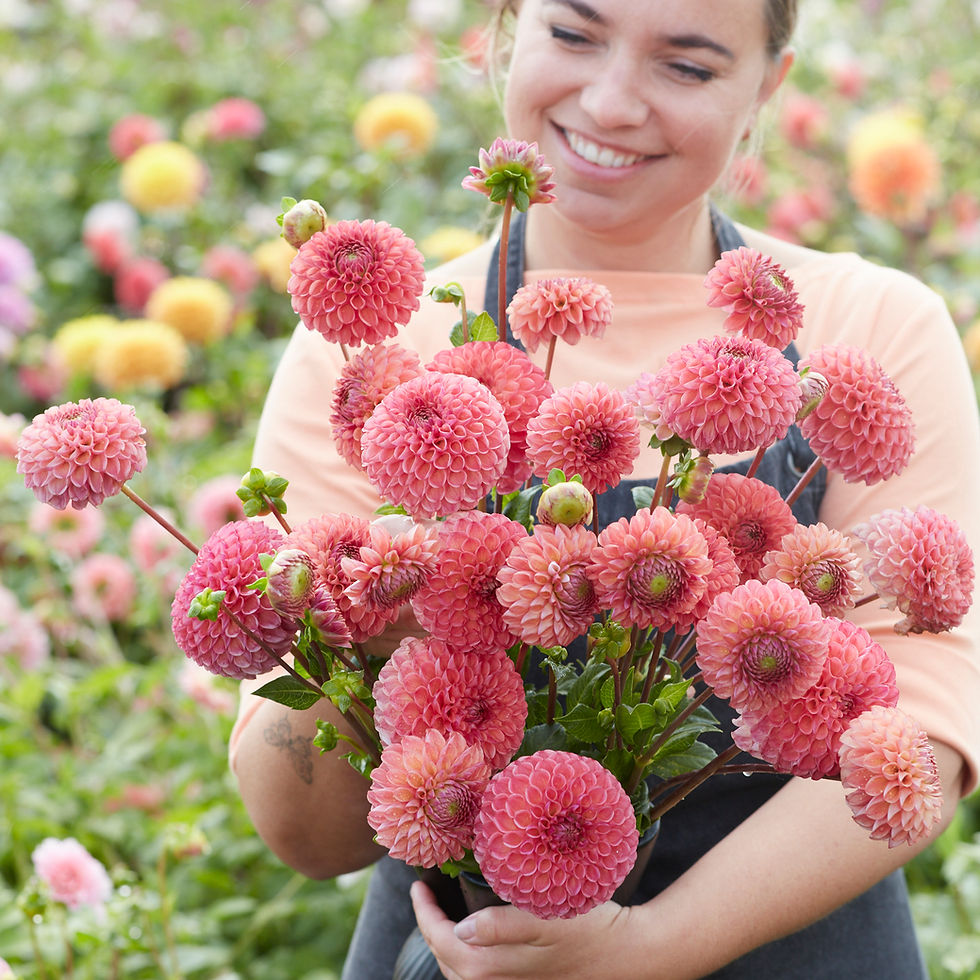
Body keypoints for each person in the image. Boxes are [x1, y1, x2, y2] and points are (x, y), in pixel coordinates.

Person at [229, 1, 980, 977]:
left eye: (688, 65)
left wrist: (649, 945)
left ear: (767, 85)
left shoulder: (868, 329)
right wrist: (367, 622)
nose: (611, 100)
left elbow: (919, 732)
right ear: (507, 28)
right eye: (574, 35)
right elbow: (309, 834)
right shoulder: (380, 355)